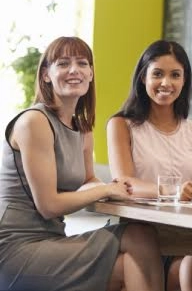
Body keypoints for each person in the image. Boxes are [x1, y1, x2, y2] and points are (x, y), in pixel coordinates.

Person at [0, 36, 163, 291]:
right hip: (17, 247)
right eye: (63, 63)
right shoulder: (34, 122)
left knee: (140, 239)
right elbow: (49, 205)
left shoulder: (82, 129)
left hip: (52, 241)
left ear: (90, 74)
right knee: (135, 252)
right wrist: (106, 189)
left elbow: (88, 180)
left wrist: (120, 189)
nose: (74, 70)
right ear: (46, 75)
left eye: (82, 63)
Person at [107, 40, 192, 291]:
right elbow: (124, 183)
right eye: (157, 73)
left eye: (175, 75)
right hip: (136, 234)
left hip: (182, 235)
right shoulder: (121, 125)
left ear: (185, 81)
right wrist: (174, 191)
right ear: (143, 78)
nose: (166, 83)